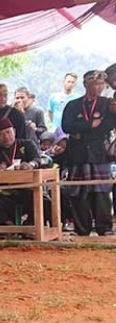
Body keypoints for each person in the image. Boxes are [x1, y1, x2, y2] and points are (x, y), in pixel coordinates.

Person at [62, 70, 116, 236]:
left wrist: (85, 129)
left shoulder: (107, 104)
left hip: (99, 153)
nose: (98, 87)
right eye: (94, 84)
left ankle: (104, 228)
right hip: (78, 154)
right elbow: (66, 126)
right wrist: (89, 125)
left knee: (101, 191)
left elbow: (108, 125)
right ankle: (82, 228)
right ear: (85, 85)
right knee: (78, 192)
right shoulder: (73, 105)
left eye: (101, 84)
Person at [0, 118, 42, 227]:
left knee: (41, 199)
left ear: (14, 132)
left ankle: (31, 225)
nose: (6, 137)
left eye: (8, 132)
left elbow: (38, 159)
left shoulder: (27, 145)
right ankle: (7, 227)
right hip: (7, 193)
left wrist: (30, 165)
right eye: (1, 134)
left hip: (27, 188)